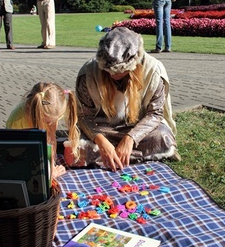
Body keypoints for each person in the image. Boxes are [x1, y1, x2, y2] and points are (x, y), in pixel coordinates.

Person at [72, 26, 180, 171]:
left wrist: (130, 139)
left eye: (120, 72)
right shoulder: (88, 73)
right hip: (104, 127)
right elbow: (84, 116)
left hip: (138, 126)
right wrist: (101, 141)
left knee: (162, 136)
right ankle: (120, 155)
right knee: (78, 144)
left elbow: (155, 114)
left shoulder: (153, 70)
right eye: (107, 71)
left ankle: (112, 155)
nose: (112, 76)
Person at [6, 82, 80, 178]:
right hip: (20, 154)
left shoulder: (52, 109)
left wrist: (52, 164)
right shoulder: (17, 122)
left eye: (53, 120)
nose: (50, 124)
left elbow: (51, 136)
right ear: (35, 112)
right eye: (47, 121)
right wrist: (48, 173)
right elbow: (14, 155)